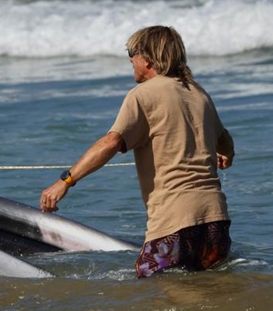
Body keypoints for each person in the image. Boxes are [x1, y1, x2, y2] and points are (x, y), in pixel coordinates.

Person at [39, 25, 235, 278]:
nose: (131, 60)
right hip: (216, 220)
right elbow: (225, 140)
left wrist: (65, 181)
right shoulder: (198, 93)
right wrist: (225, 156)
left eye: (133, 53)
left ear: (149, 59)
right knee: (206, 293)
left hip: (173, 221)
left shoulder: (143, 95)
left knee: (152, 298)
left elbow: (110, 143)